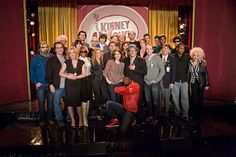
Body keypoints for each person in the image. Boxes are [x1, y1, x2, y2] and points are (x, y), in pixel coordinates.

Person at [59, 46, 86, 128]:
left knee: (78, 104)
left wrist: (76, 77)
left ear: (76, 53)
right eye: (70, 53)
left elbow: (84, 74)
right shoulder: (66, 62)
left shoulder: (82, 62)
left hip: (78, 85)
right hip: (69, 85)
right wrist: (67, 76)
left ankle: (81, 121)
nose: (72, 54)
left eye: (73, 52)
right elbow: (60, 73)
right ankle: (73, 121)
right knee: (69, 104)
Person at [30, 42, 53, 125]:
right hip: (41, 86)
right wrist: (36, 82)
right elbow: (32, 72)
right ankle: (42, 120)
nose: (45, 49)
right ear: (39, 49)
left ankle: (50, 119)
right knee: (41, 103)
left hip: (50, 85)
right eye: (43, 47)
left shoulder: (51, 57)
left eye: (47, 47)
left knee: (51, 103)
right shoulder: (35, 59)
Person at [123, 44, 147, 123]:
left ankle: (138, 119)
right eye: (130, 50)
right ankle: (131, 119)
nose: (132, 51)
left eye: (134, 50)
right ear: (128, 52)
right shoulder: (125, 60)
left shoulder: (141, 60)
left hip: (138, 85)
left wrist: (135, 69)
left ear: (136, 51)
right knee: (129, 102)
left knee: (138, 102)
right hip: (128, 85)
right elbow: (124, 73)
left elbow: (145, 72)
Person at [46, 42, 66, 125]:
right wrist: (51, 85)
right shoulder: (51, 60)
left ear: (63, 48)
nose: (59, 49)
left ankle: (67, 117)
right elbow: (48, 74)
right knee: (56, 102)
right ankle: (59, 118)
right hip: (57, 85)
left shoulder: (67, 58)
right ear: (55, 50)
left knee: (68, 102)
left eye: (61, 47)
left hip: (68, 85)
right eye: (57, 48)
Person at [144, 44, 165, 123]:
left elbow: (162, 71)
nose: (148, 50)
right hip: (146, 82)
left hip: (154, 83)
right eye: (147, 49)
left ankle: (156, 117)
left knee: (155, 100)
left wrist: (156, 80)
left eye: (150, 49)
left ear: (152, 50)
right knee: (148, 100)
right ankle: (150, 115)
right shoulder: (145, 58)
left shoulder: (157, 58)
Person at [188, 47, 209, 121]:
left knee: (200, 99)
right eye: (194, 55)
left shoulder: (202, 63)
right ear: (192, 55)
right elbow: (188, 74)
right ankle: (193, 115)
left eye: (197, 55)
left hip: (201, 83)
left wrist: (207, 84)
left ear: (199, 56)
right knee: (194, 98)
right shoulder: (189, 62)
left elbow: (205, 74)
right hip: (193, 82)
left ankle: (199, 116)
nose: (195, 57)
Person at [171, 43, 190, 121]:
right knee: (175, 98)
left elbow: (196, 59)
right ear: (177, 49)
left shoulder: (187, 57)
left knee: (185, 98)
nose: (182, 50)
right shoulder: (172, 57)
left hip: (184, 81)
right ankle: (177, 113)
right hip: (175, 81)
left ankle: (185, 114)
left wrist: (202, 60)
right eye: (180, 48)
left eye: (183, 49)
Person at [91, 48, 109, 119]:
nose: (99, 54)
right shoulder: (92, 61)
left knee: (105, 95)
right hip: (95, 80)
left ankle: (103, 108)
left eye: (100, 53)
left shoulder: (102, 61)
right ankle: (97, 113)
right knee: (97, 96)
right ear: (95, 54)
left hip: (102, 80)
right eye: (97, 53)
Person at [159, 44, 176, 118]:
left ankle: (166, 113)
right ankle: (160, 112)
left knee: (166, 98)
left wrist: (172, 82)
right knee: (159, 98)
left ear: (169, 50)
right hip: (158, 81)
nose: (165, 50)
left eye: (166, 49)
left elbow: (174, 72)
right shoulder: (158, 58)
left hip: (167, 81)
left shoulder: (172, 59)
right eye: (164, 48)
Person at [79, 46, 93, 127]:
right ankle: (84, 119)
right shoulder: (78, 59)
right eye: (82, 51)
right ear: (79, 52)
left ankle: (86, 116)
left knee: (88, 97)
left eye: (85, 51)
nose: (83, 53)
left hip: (89, 79)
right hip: (82, 80)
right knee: (84, 98)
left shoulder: (88, 59)